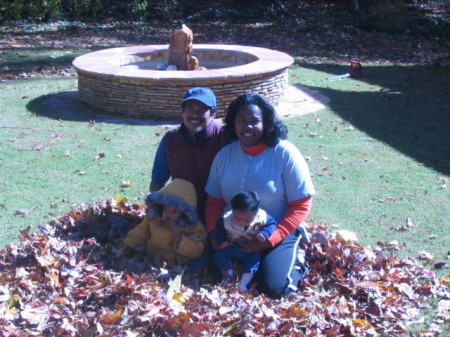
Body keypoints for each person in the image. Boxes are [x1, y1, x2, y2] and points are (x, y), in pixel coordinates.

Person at [205, 93, 315, 297]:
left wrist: (270, 240)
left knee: (275, 289)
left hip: (277, 230)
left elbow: (302, 204)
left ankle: (291, 257)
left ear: (266, 123)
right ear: (233, 123)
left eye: (254, 121)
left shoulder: (285, 153)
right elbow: (214, 201)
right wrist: (214, 234)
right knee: (211, 277)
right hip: (233, 232)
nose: (247, 127)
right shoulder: (224, 155)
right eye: (241, 121)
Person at [150, 87, 229, 223]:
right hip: (180, 214)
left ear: (213, 113)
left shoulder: (225, 139)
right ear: (182, 112)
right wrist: (155, 208)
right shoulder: (170, 140)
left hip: (219, 215)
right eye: (190, 109)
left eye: (201, 110)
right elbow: (158, 181)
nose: (194, 115)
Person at [123, 179, 206, 267]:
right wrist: (126, 244)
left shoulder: (193, 227)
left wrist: (180, 239)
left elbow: (197, 250)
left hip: (177, 265)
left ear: (184, 214)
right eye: (166, 209)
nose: (168, 214)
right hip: (152, 260)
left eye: (174, 211)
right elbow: (140, 232)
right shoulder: (154, 219)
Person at [214, 190, 277, 291]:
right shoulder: (226, 219)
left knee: (253, 262)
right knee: (220, 257)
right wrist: (222, 241)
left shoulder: (262, 217)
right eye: (237, 219)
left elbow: (272, 224)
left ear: (256, 213)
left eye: (247, 220)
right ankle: (228, 276)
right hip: (232, 245)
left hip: (251, 248)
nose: (242, 222)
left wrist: (265, 233)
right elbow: (219, 230)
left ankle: (243, 284)